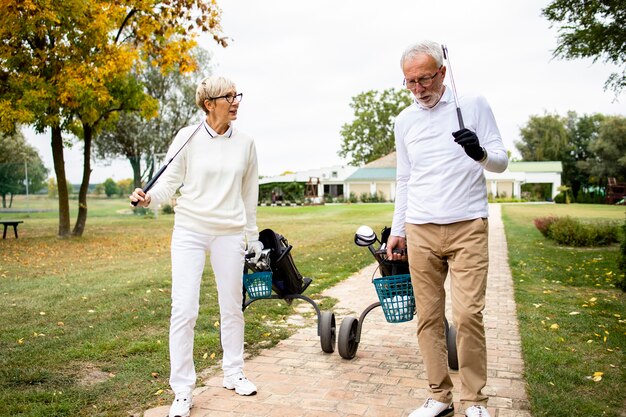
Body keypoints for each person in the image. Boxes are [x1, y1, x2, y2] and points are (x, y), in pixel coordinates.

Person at [386, 41, 508, 417]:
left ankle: (475, 400)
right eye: (410, 82)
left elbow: (501, 162)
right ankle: (440, 397)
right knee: (428, 317)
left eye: (424, 79)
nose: (418, 88)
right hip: (420, 228)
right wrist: (397, 229)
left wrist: (481, 153)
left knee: (469, 314)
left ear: (441, 71)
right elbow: (404, 178)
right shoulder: (404, 121)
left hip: (467, 224)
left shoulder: (472, 105)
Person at [130, 75, 264, 417]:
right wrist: (148, 199)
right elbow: (169, 183)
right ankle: (182, 390)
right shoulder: (186, 137)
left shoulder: (246, 143)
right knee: (184, 308)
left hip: (230, 232)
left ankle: (233, 372)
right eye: (228, 97)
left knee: (232, 306)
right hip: (190, 229)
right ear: (209, 104)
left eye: (237, 95)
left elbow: (249, 195)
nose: (236, 102)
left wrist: (253, 237)